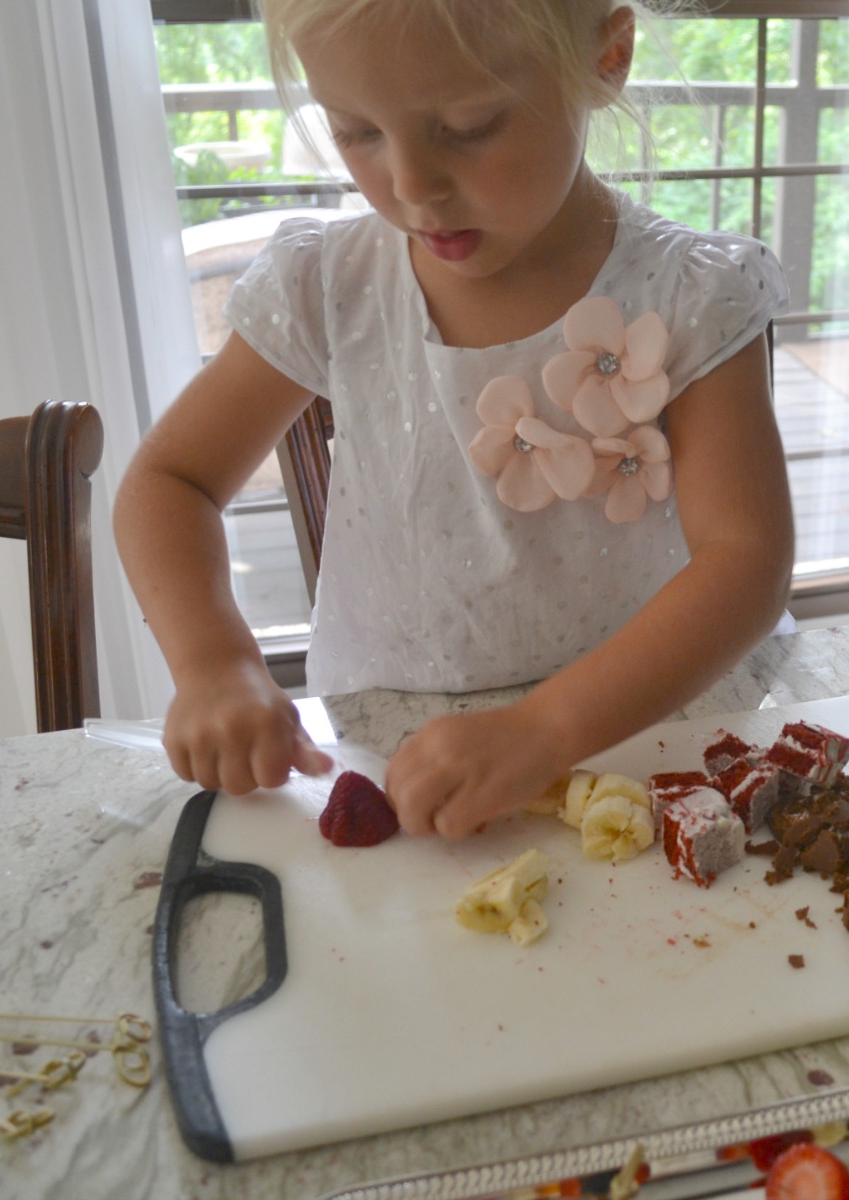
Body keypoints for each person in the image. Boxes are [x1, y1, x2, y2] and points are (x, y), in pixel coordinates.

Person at [114, 0, 793, 839]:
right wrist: (212, 662)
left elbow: (747, 561)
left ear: (606, 56)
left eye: (469, 126)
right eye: (357, 131)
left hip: (653, 734)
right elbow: (168, 481)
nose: (412, 187)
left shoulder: (693, 296)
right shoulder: (329, 285)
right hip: (401, 750)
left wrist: (546, 729)